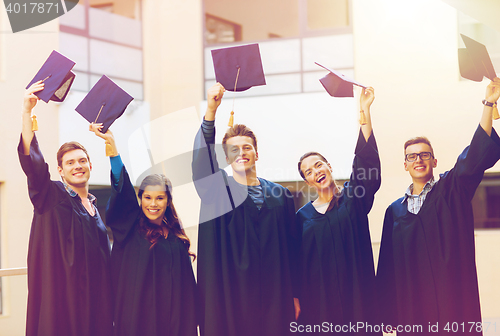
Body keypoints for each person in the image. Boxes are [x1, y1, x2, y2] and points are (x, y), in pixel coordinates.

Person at [376, 78, 500, 335]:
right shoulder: (394, 211)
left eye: (424, 155)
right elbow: (387, 266)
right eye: (412, 156)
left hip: (451, 299)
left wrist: (489, 103)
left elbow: (474, 156)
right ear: (405, 165)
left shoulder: (452, 190)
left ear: (434, 160)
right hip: (412, 306)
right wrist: (387, 315)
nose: (418, 159)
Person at [192, 83, 301, 336]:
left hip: (276, 297)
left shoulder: (280, 195)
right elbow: (201, 165)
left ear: (257, 153)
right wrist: (211, 111)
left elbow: (293, 250)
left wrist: (295, 295)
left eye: (247, 147)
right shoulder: (217, 190)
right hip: (231, 299)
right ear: (227, 158)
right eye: (234, 150)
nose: (242, 153)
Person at [19, 82, 113, 335]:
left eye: (82, 160)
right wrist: (27, 113)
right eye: (70, 163)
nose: (77, 166)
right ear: (60, 171)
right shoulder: (51, 197)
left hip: (95, 308)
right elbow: (33, 164)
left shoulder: (94, 209)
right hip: (63, 308)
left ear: (91, 165)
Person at [90, 124, 198, 336]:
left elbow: (188, 288)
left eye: (160, 198)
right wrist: (114, 153)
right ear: (140, 200)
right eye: (147, 197)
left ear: (168, 201)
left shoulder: (176, 236)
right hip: (141, 322)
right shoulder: (130, 230)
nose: (153, 204)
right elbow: (122, 190)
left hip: (176, 323)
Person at [296, 87, 381, 335]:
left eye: (318, 165)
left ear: (329, 166)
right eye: (308, 172)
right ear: (307, 182)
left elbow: (366, 167)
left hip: (358, 300)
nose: (316, 172)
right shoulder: (301, 218)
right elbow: (295, 264)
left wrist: (364, 112)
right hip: (319, 306)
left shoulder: (352, 200)